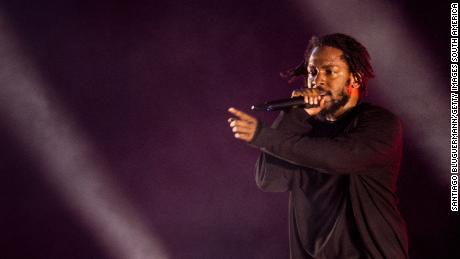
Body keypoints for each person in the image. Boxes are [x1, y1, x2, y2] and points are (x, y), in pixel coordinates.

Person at [227, 33, 409, 259]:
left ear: (355, 78)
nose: (317, 80)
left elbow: (339, 157)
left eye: (329, 71)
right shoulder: (305, 127)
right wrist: (293, 115)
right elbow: (270, 179)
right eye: (313, 72)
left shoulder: (379, 123)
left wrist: (263, 136)